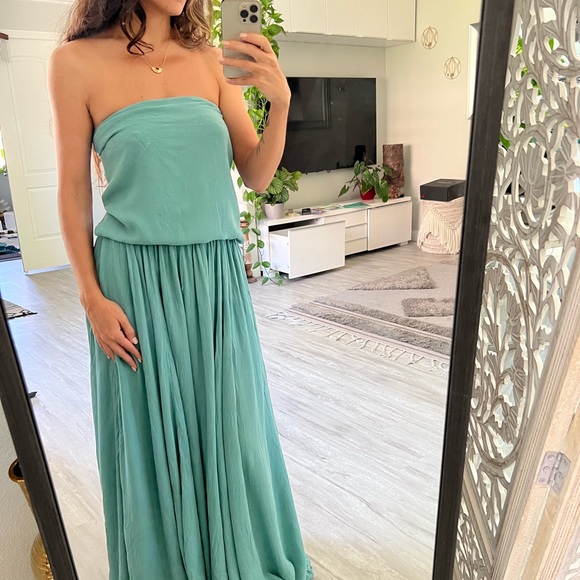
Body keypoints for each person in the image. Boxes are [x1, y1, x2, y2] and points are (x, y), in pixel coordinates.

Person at [48, 0, 314, 578]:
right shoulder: (74, 63)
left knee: (232, 426)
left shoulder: (211, 60)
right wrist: (91, 297)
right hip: (132, 284)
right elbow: (71, 189)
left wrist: (281, 105)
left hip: (215, 279)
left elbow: (256, 174)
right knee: (150, 437)